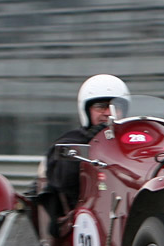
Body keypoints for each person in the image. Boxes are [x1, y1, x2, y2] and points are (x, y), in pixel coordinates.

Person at [43, 74, 130, 224]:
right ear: (87, 110)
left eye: (116, 107)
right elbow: (64, 181)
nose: (109, 113)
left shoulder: (130, 142)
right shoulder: (70, 141)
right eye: (101, 106)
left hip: (126, 212)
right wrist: (92, 142)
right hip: (85, 219)